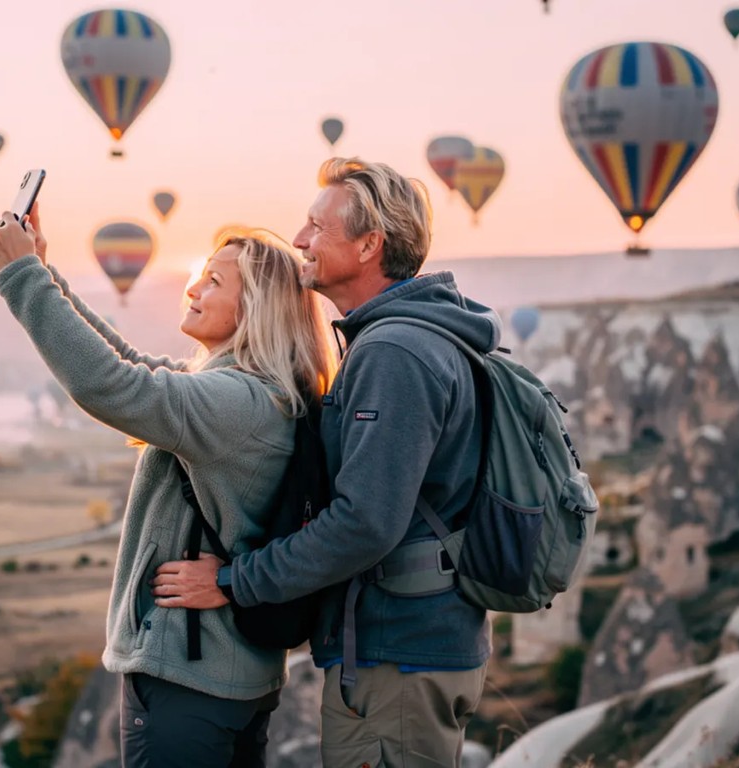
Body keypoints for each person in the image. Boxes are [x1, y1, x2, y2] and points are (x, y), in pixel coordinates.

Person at [153, 157, 503, 767]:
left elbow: (365, 522)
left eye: (318, 226)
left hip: (397, 654)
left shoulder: (394, 352)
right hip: (408, 647)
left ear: (370, 244)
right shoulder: (408, 339)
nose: (299, 241)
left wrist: (236, 581)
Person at [0, 206, 336, 768]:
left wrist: (20, 277)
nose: (194, 287)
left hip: (186, 679)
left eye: (215, 281)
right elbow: (129, 361)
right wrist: (44, 272)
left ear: (256, 309)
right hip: (225, 675)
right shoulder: (258, 395)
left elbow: (110, 384)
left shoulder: (234, 405)